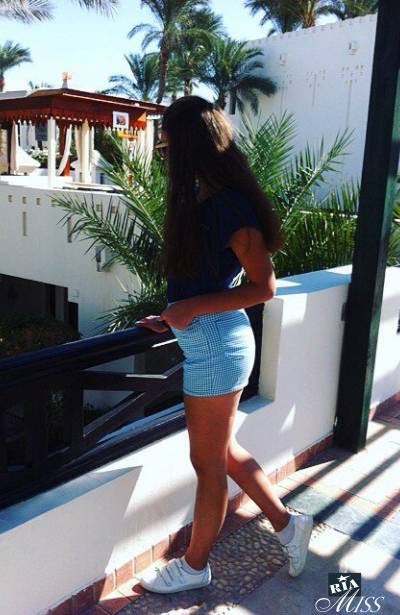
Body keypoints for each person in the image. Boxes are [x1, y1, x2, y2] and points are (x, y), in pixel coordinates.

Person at [134, 96, 313, 594]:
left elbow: (263, 287)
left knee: (207, 465)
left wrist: (190, 309)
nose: (164, 152)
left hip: (217, 347)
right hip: (206, 339)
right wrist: (173, 313)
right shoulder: (203, 198)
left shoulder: (231, 206)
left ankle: (195, 566)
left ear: (190, 143)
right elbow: (200, 280)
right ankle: (288, 525)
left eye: (167, 143)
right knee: (225, 453)